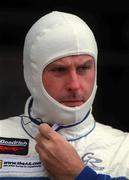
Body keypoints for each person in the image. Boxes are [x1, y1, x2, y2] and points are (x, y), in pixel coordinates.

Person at [0, 11, 129, 180]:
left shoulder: (124, 149)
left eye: (83, 68)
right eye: (59, 70)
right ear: (33, 75)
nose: (74, 85)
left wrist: (79, 176)